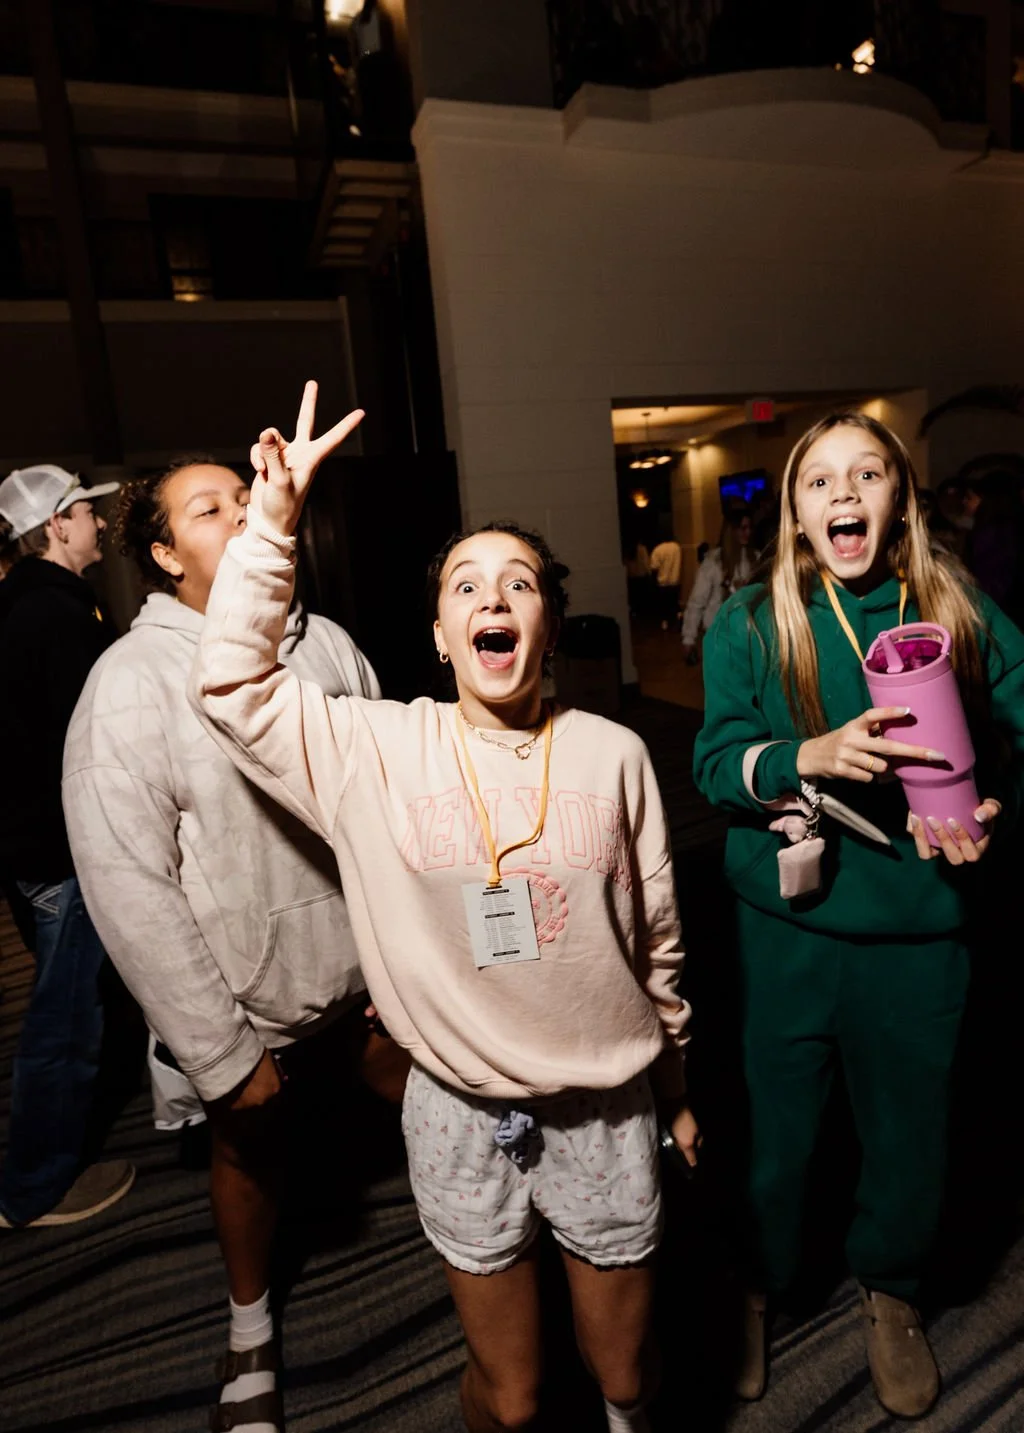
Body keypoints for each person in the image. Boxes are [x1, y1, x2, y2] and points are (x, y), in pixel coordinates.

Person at [190, 384, 699, 1433]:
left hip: (605, 1106)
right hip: (459, 1112)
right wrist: (271, 525)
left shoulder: (613, 753)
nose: (492, 597)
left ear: (545, 623)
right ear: (440, 634)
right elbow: (234, 686)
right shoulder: (375, 747)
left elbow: (657, 942)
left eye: (519, 582)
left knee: (625, 1374)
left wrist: (676, 1088)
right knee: (510, 1400)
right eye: (467, 585)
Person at [693, 413, 1024, 1418]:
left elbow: (1016, 732)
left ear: (901, 497)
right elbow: (715, 762)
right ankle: (751, 1280)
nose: (843, 493)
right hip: (783, 931)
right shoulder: (753, 620)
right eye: (819, 480)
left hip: (922, 925)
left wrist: (994, 805)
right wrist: (806, 755)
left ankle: (893, 1287)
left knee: (910, 1125)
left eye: (867, 473)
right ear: (796, 512)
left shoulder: (957, 608)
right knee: (773, 1130)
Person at [62, 459, 390, 1433]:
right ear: (165, 554)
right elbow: (128, 886)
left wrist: (406, 957)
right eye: (210, 509)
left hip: (367, 976)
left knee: (453, 1109)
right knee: (250, 1160)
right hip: (246, 1002)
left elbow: (385, 810)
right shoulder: (130, 681)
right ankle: (248, 1326)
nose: (243, 514)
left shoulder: (326, 644)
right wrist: (220, 1051)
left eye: (249, 499)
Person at [0, 463, 133, 1229]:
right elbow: (90, 745)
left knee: (81, 1008)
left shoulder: (23, 604)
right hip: (61, 851)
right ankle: (34, 1186)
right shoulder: (55, 615)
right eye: (85, 511)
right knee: (63, 1024)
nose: (97, 523)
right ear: (55, 525)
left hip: (28, 846)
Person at [680, 508, 755, 662]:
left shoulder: (754, 558)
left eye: (749, 528)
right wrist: (689, 638)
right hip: (719, 637)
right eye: (743, 528)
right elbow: (697, 602)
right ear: (732, 531)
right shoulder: (713, 563)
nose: (748, 532)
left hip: (747, 638)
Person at [648, 535, 682, 630]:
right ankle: (679, 617)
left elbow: (654, 568)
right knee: (674, 602)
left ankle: (665, 623)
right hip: (675, 580)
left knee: (663, 605)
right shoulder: (676, 547)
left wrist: (653, 582)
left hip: (662, 582)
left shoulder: (657, 550)